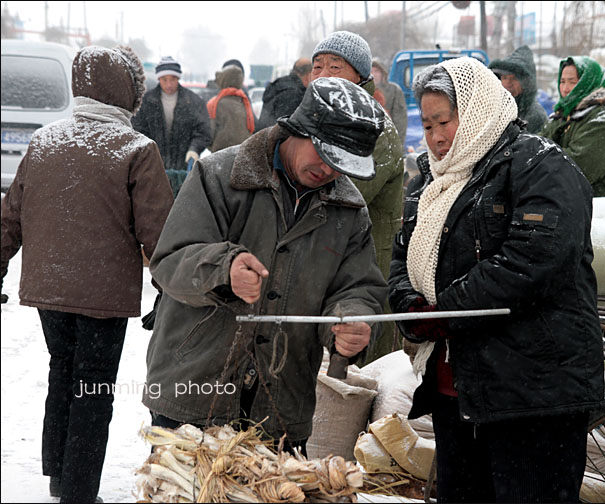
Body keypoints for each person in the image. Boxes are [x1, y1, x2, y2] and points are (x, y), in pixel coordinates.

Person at [388, 57, 604, 503]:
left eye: (444, 121)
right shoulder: (430, 181)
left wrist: (446, 311)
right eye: (427, 126)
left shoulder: (540, 165)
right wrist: (410, 308)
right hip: (460, 392)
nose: (437, 137)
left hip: (533, 395)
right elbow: (402, 257)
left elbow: (535, 258)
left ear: (477, 108)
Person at [141, 77, 388, 454]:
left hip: (281, 402)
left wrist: (350, 319)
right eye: (323, 154)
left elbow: (358, 287)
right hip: (194, 387)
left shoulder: (349, 210)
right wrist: (225, 269)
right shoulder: (220, 176)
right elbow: (171, 260)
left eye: (341, 164)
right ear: (298, 128)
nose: (329, 171)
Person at [0, 45, 174, 502]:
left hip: (47, 287)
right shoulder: (137, 149)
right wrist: (171, 290)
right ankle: (78, 491)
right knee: (93, 385)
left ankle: (59, 475)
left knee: (63, 369)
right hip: (103, 295)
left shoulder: (44, 142)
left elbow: (9, 218)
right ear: (128, 92)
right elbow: (160, 234)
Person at [311, 30, 404, 365]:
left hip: (366, 271)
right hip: (324, 265)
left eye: (335, 67)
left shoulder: (377, 130)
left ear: (361, 77)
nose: (322, 75)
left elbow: (338, 199)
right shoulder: (315, 123)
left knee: (363, 374)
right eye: (317, 67)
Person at [540, 56, 605, 197]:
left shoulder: (603, 120)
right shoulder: (562, 114)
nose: (565, 89)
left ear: (587, 82)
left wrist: (538, 162)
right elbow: (537, 147)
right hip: (560, 200)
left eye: (572, 82)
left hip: (593, 206)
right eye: (562, 81)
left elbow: (580, 168)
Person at [132, 56, 211, 197]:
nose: (169, 84)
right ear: (158, 79)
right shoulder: (147, 102)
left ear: (178, 79)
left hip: (184, 167)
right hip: (154, 167)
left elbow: (203, 131)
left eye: (173, 79)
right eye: (164, 80)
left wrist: (194, 149)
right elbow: (138, 130)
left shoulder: (193, 101)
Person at [488, 45, 548, 133]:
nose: (508, 83)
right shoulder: (495, 109)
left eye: (514, 78)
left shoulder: (535, 116)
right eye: (504, 78)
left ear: (526, 83)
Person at [207, 60, 255, 152]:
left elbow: (209, 132)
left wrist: (213, 147)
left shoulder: (215, 103)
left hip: (220, 154)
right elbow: (252, 128)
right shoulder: (244, 101)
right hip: (242, 152)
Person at [256, 58, 312, 131]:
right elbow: (286, 127)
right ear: (308, 75)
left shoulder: (277, 84)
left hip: (263, 136)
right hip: (277, 139)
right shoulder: (294, 94)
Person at [371, 58, 408, 146]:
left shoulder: (394, 90)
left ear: (383, 73)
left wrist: (397, 144)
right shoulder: (362, 90)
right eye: (371, 71)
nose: (373, 75)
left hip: (388, 138)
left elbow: (400, 120)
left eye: (376, 71)